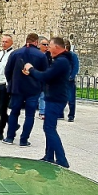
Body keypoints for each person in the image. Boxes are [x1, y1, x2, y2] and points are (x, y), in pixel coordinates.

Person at [22, 36, 74, 167]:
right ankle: (49, 156)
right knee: (50, 127)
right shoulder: (60, 60)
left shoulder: (61, 61)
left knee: (49, 128)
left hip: (56, 98)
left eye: (49, 46)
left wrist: (31, 69)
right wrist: (32, 73)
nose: (48, 49)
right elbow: (49, 76)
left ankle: (62, 160)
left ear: (56, 47)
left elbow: (46, 76)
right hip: (54, 97)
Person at [4, 33, 48, 146]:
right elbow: (45, 73)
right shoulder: (41, 56)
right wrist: (41, 86)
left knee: (14, 112)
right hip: (33, 89)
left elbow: (7, 70)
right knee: (30, 115)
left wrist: (11, 82)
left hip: (17, 87)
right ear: (36, 42)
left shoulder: (15, 53)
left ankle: (10, 137)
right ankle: (24, 140)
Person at [65, 45, 80, 122]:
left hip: (69, 80)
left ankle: (71, 115)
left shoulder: (72, 56)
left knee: (71, 98)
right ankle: (59, 113)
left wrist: (71, 76)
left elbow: (76, 67)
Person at [37, 37, 50, 118]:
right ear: (39, 45)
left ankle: (42, 112)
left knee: (43, 95)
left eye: (47, 44)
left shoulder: (50, 55)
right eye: (44, 44)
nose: (46, 46)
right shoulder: (36, 54)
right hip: (37, 76)